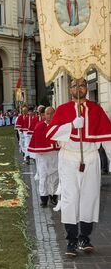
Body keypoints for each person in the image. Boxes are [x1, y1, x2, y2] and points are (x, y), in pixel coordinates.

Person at [47, 78, 111, 257]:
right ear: (70, 88)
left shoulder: (97, 109)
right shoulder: (62, 110)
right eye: (74, 85)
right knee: (70, 198)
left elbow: (107, 139)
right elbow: (51, 133)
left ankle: (85, 238)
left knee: (89, 198)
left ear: (86, 88)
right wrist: (71, 126)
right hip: (69, 158)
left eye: (82, 85)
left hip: (91, 158)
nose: (78, 88)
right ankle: (71, 240)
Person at [28, 107, 59, 208]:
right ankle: (44, 198)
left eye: (51, 113)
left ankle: (54, 196)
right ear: (44, 115)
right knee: (43, 177)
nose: (49, 116)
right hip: (43, 156)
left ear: (55, 114)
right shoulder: (39, 126)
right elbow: (36, 141)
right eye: (47, 114)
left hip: (55, 154)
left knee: (55, 177)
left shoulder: (58, 126)